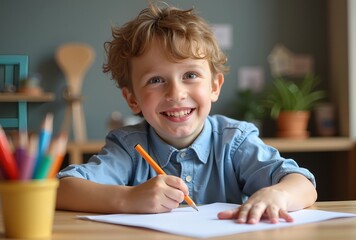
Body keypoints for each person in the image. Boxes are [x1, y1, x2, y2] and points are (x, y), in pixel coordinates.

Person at [56, 2, 317, 224]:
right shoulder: (128, 147)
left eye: (190, 75)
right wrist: (128, 198)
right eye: (156, 80)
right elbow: (62, 189)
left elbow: (303, 185)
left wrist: (277, 195)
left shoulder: (234, 141)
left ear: (214, 86)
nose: (176, 93)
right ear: (132, 99)